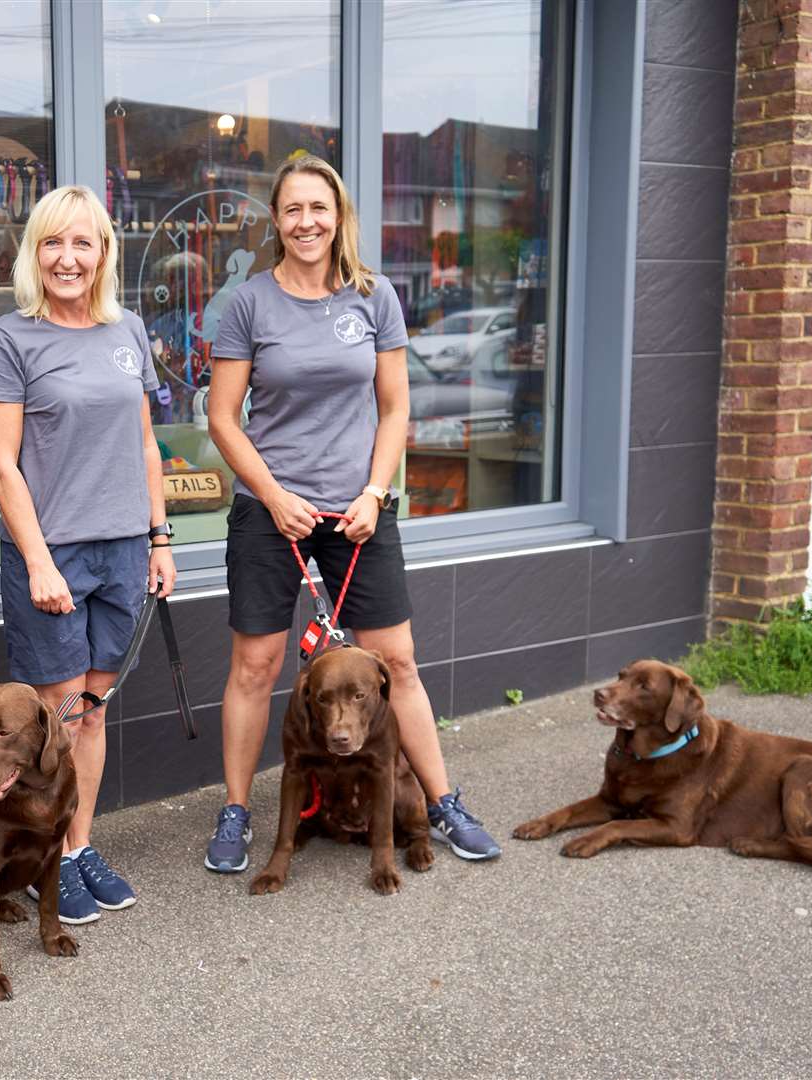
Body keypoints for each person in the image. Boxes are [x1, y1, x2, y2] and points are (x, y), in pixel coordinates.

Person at [202, 154, 502, 873]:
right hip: (270, 511)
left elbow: (396, 407)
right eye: (293, 210)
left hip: (359, 510)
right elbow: (222, 418)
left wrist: (374, 491)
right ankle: (236, 813)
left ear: (339, 218)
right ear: (276, 221)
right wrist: (273, 496)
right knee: (256, 664)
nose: (307, 222)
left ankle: (441, 801)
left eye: (319, 208)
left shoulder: (374, 297)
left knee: (396, 659)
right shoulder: (248, 304)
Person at [0, 184, 177, 924]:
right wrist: (37, 562)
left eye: (83, 243)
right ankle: (44, 855)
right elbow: (2, 463)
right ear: (36, 253)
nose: (68, 258)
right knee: (56, 721)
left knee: (92, 716)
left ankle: (76, 845)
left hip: (124, 550)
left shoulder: (127, 329)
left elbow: (146, 444)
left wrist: (158, 538)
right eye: (54, 243)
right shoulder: (12, 338)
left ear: (103, 254)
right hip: (53, 554)